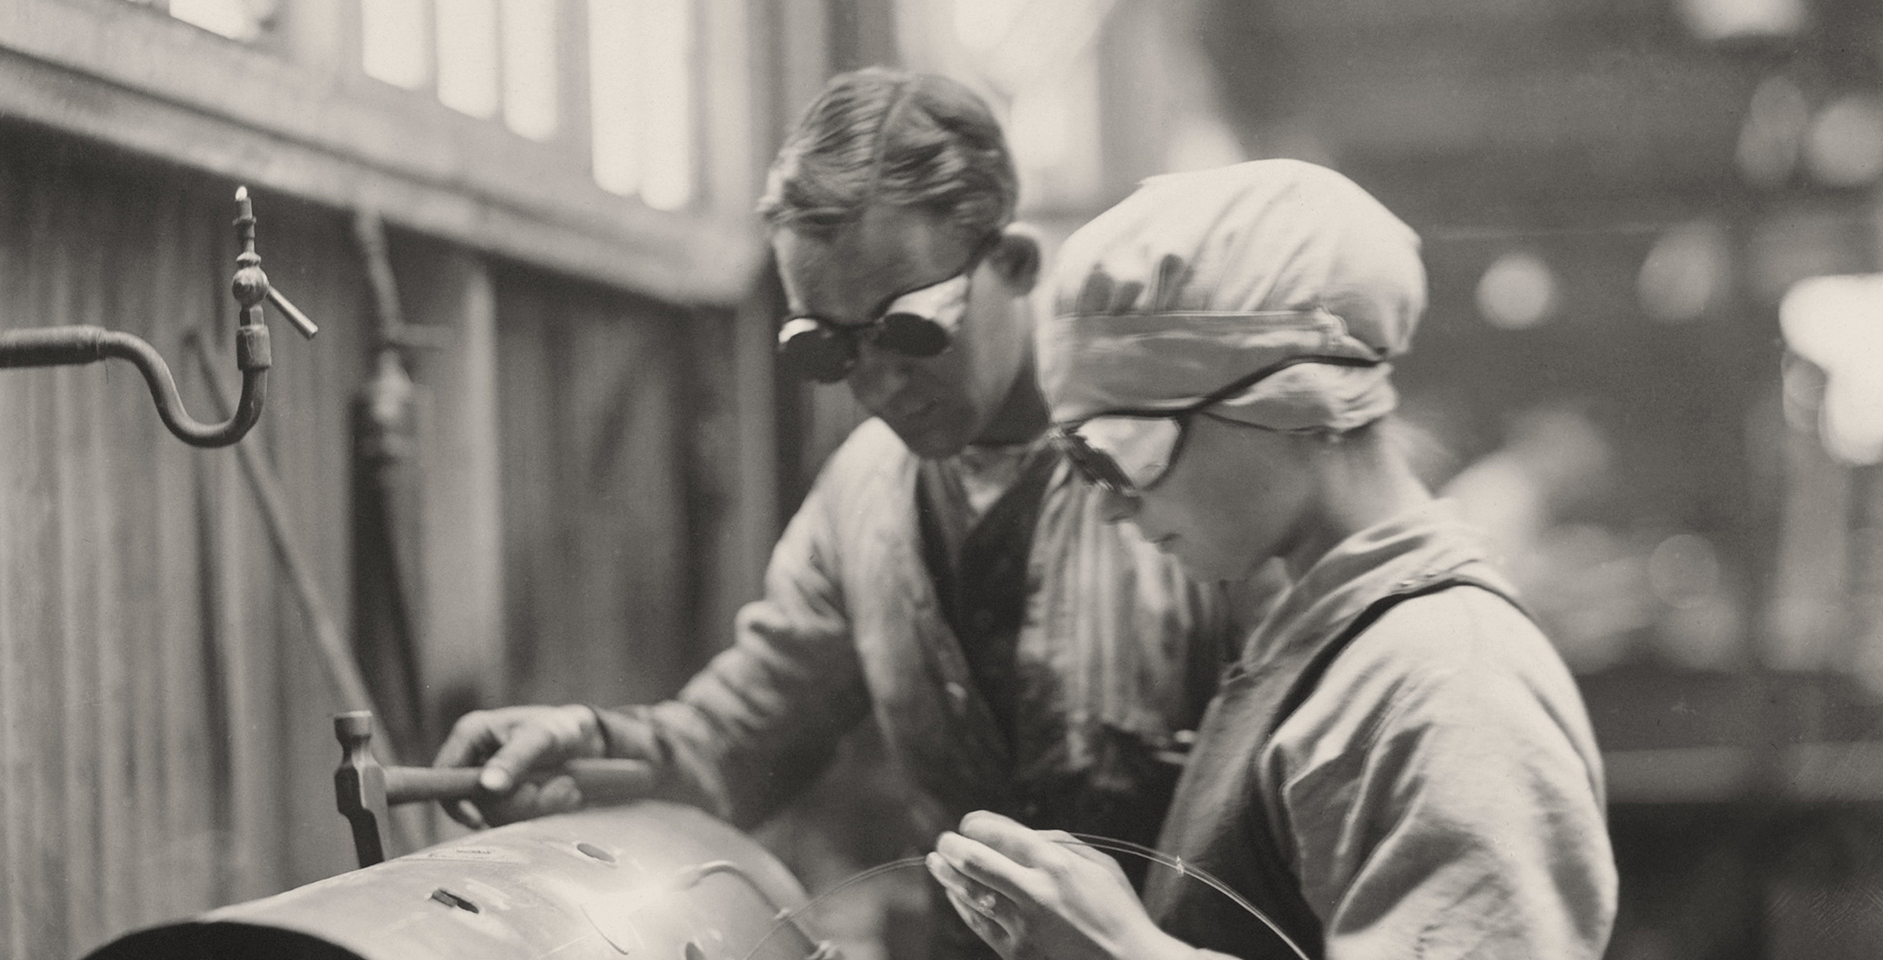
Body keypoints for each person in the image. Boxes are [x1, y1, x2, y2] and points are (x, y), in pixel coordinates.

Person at [434, 68, 1253, 956]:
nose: (878, 384)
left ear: (1014, 264)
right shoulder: (863, 495)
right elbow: (738, 744)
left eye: (910, 330)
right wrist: (586, 747)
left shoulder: (1184, 469)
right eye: (827, 348)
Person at [926, 160, 1619, 960]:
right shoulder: (1326, 644)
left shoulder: (1446, 684)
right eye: (1081, 464)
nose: (1109, 505)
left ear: (1296, 399)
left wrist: (1124, 952)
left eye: (1124, 453)